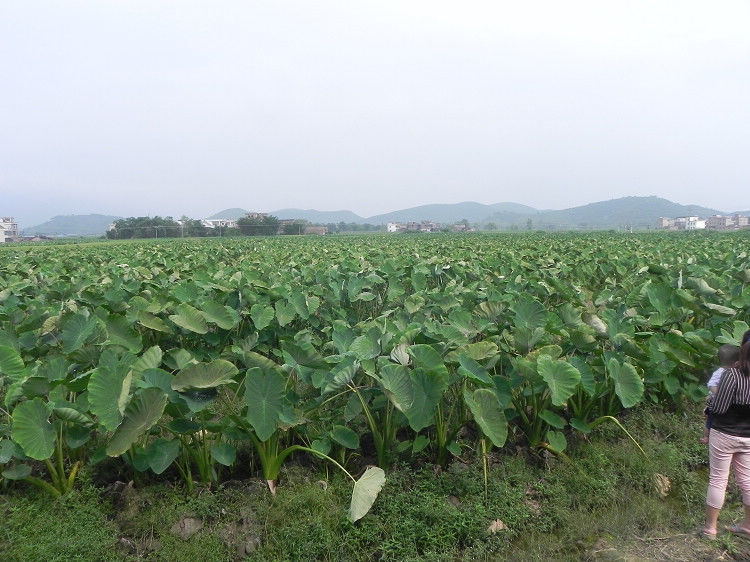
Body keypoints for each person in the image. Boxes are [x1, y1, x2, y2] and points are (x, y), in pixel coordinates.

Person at [703, 342, 750, 539]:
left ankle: (710, 529)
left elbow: (720, 408)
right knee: (748, 481)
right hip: (748, 437)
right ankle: (748, 527)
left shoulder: (732, 375)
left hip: (724, 434)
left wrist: (708, 407)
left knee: (718, 480)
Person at [701, 345, 741, 443]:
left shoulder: (733, 373)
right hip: (716, 401)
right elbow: (711, 384)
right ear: (736, 363)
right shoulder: (720, 373)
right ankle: (706, 437)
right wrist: (720, 394)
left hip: (724, 401)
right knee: (710, 422)